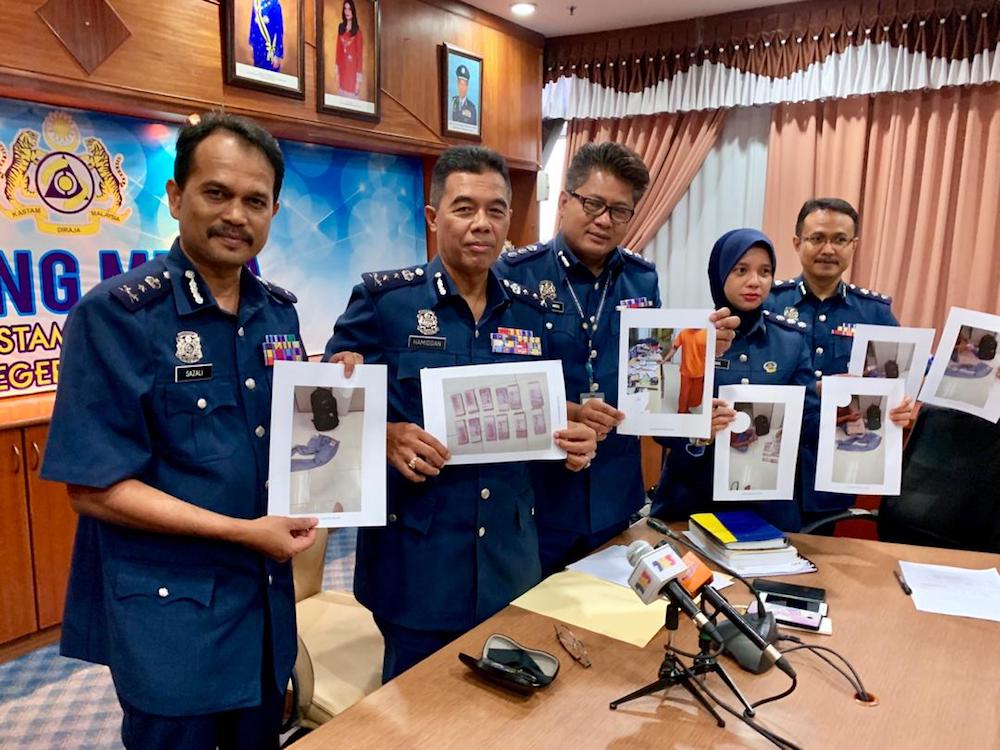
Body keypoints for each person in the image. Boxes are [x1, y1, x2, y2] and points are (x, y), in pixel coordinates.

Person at [40, 113, 356, 749]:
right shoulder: (118, 316)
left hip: (262, 609)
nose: (236, 215)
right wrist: (241, 532)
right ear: (177, 196)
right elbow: (94, 488)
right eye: (217, 193)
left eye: (255, 201)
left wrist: (341, 391)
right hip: (170, 620)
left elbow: (289, 438)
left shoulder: (278, 314)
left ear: (272, 211)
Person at [324, 145, 597, 682]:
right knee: (418, 720)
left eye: (496, 210)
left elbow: (545, 418)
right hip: (418, 559)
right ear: (433, 218)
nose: (482, 224)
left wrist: (573, 444)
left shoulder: (530, 311)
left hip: (509, 554)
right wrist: (380, 433)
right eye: (464, 208)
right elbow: (326, 407)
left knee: (504, 713)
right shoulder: (385, 303)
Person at [497, 142, 739, 575]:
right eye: (593, 204)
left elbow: (652, 386)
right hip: (537, 494)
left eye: (620, 211)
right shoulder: (515, 275)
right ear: (566, 200)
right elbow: (499, 381)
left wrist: (698, 359)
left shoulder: (641, 278)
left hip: (614, 494)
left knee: (608, 626)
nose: (604, 220)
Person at [766, 198, 905, 522]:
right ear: (797, 243)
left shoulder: (874, 314)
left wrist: (902, 406)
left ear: (853, 245)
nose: (828, 249)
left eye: (839, 240)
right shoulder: (768, 304)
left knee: (820, 564)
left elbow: (895, 387)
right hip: (769, 460)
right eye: (817, 238)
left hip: (834, 466)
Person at [663, 327, 708, 414]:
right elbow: (674, 348)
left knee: (696, 396)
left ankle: (689, 407)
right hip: (686, 370)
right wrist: (665, 359)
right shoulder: (683, 333)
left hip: (700, 371)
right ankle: (682, 411)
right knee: (684, 393)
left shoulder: (707, 333)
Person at [335, 0, 363, 97]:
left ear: (353, 11)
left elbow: (359, 57)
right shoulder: (341, 28)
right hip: (342, 72)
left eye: (349, 9)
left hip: (352, 75)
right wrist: (337, 74)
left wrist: (358, 83)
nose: (347, 12)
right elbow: (338, 52)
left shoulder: (358, 32)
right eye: (345, 9)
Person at [249, 0, 284, 72]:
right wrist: (252, 45)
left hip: (269, 48)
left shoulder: (275, 4)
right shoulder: (256, 3)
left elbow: (279, 31)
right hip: (257, 47)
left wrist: (277, 55)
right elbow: (252, 26)